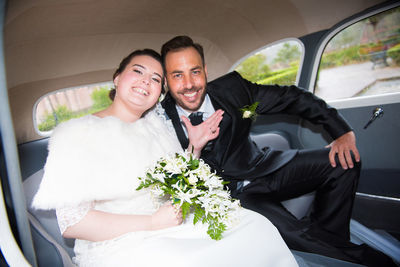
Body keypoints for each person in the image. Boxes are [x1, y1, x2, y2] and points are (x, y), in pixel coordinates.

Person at [32, 49, 298, 267]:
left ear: (160, 93)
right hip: (119, 241)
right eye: (138, 71)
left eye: (156, 79)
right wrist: (151, 223)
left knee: (255, 226)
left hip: (173, 223)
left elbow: (179, 179)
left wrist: (194, 147)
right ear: (117, 78)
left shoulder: (156, 126)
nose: (146, 82)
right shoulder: (75, 134)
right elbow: (73, 223)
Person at [160, 35, 397, 266]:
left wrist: (341, 131)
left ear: (205, 70)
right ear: (166, 81)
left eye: (195, 71)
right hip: (232, 199)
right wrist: (194, 147)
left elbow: (292, 98)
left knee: (345, 161)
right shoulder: (159, 120)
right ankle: (376, 262)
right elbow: (174, 185)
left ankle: (332, 246)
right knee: (296, 233)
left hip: (263, 169)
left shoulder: (233, 91)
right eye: (177, 75)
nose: (189, 84)